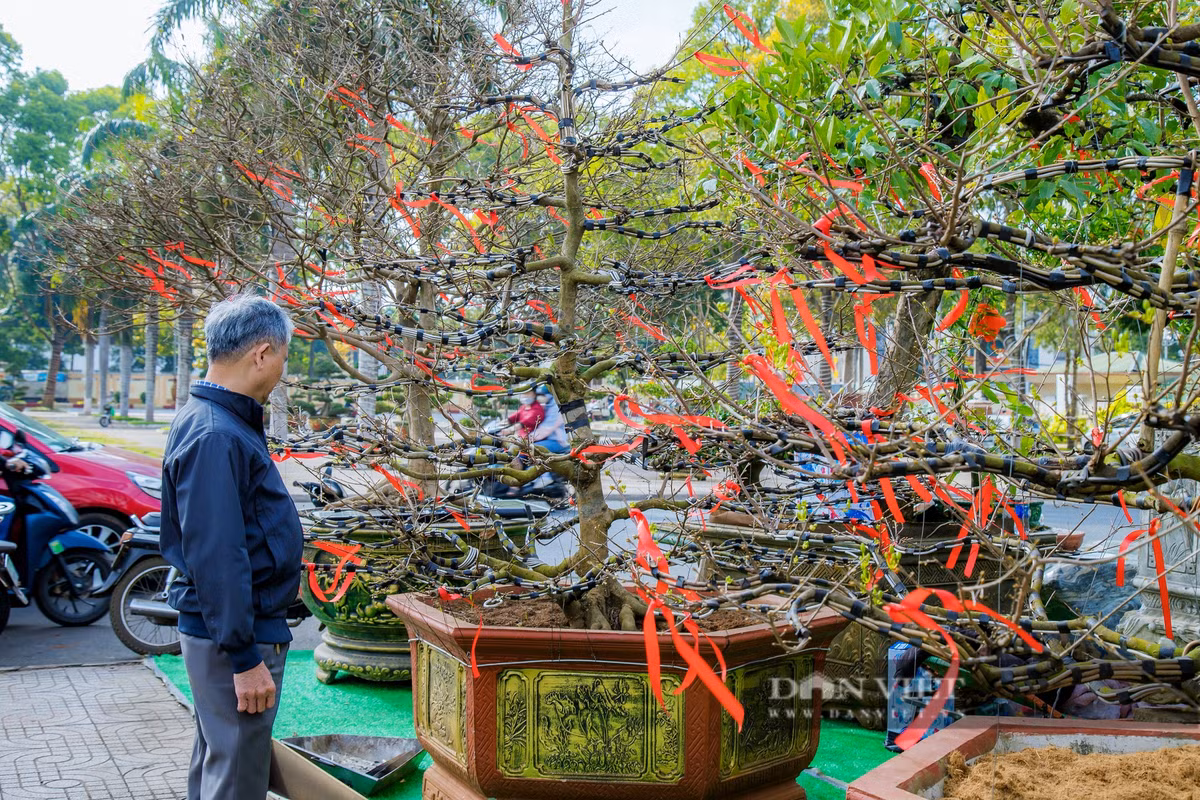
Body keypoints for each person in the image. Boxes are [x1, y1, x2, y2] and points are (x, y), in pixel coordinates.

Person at [160, 295, 301, 800]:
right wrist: (243, 657)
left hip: (225, 631)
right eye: (284, 357)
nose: (283, 370)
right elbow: (217, 554)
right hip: (232, 638)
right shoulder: (217, 432)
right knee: (237, 779)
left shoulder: (214, 419)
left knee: (219, 766)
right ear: (262, 353)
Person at [529, 385, 569, 454]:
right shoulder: (548, 405)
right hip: (548, 439)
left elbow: (546, 429)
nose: (539, 397)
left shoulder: (556, 407)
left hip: (559, 442)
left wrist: (527, 438)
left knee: (527, 449)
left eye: (542, 395)